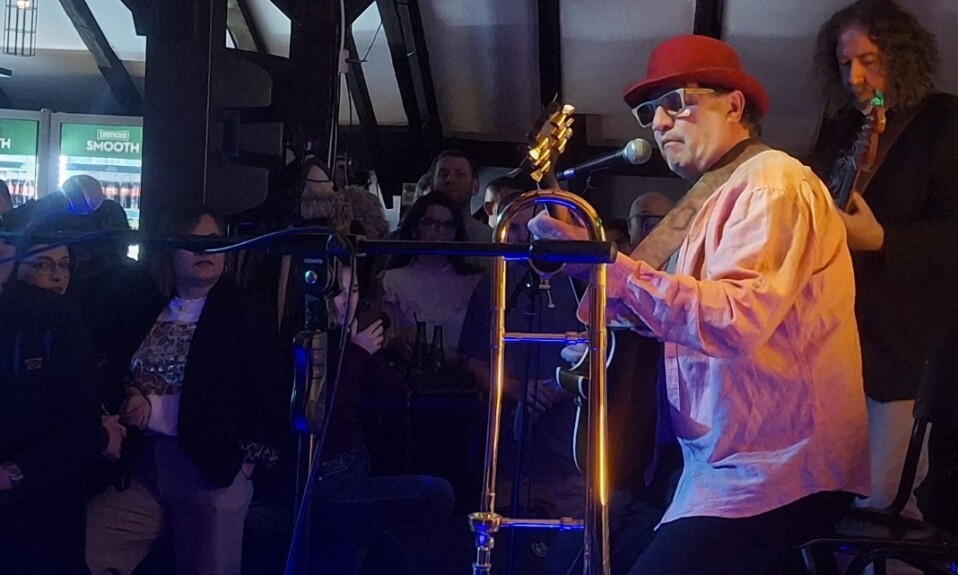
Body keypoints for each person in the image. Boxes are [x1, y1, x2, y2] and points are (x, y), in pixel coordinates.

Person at [528, 34, 869, 574]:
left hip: (776, 469)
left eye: (676, 102)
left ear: (733, 105)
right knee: (583, 559)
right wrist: (591, 281)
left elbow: (734, 319)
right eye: (649, 112)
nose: (659, 123)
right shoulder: (711, 200)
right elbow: (669, 314)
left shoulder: (771, 184)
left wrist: (608, 268)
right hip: (716, 465)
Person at [812, 0, 958, 521]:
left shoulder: (945, 122)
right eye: (845, 63)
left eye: (868, 61)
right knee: (827, 500)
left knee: (884, 505)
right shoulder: (839, 129)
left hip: (905, 349)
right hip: (836, 345)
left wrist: (882, 240)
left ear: (901, 57)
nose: (855, 77)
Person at [85, 211, 289, 575]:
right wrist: (129, 392)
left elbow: (269, 389)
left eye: (213, 242)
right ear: (169, 251)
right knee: (89, 543)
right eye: (192, 241)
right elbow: (112, 364)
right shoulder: (144, 304)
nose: (203, 250)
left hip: (211, 466)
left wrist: (245, 465)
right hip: (143, 463)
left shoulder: (245, 312)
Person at [308, 258, 456, 575]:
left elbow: (396, 391)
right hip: (328, 476)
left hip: (355, 464)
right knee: (437, 493)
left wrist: (369, 347)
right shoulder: (313, 343)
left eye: (354, 290)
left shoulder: (348, 341)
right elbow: (325, 413)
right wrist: (357, 352)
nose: (347, 300)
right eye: (338, 291)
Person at [0, 240, 104, 575]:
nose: (58, 276)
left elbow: (81, 426)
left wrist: (14, 472)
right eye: (44, 265)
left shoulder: (59, 319)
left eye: (64, 265)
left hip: (39, 507)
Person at [380, 193, 484, 366]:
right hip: (409, 374)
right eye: (430, 223)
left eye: (448, 225)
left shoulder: (474, 282)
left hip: (466, 376)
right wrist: (394, 343)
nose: (440, 232)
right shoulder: (391, 281)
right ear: (415, 230)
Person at [429, 150, 492, 242]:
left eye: (460, 174)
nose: (450, 180)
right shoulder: (418, 235)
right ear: (432, 185)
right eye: (444, 174)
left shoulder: (490, 240)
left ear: (475, 186)